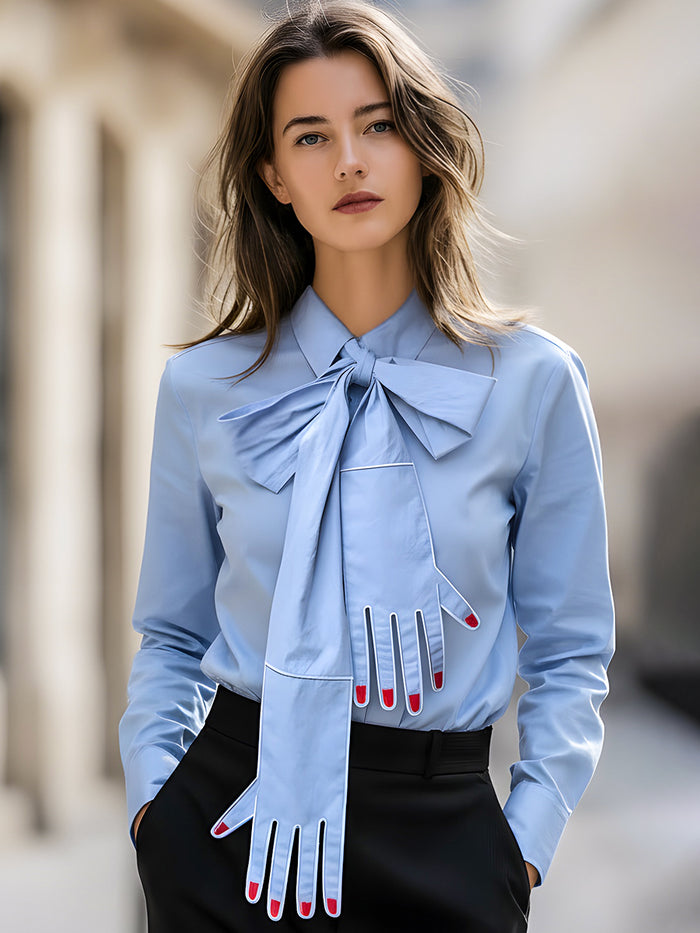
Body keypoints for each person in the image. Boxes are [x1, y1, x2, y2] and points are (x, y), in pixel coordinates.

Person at [118, 1, 615, 931]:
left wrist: (524, 845)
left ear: (423, 146)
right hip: (230, 824)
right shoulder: (202, 387)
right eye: (311, 136)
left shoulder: (536, 383)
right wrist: (156, 806)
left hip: (444, 842)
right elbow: (172, 635)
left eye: (377, 125)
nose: (349, 159)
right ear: (273, 176)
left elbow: (570, 650)